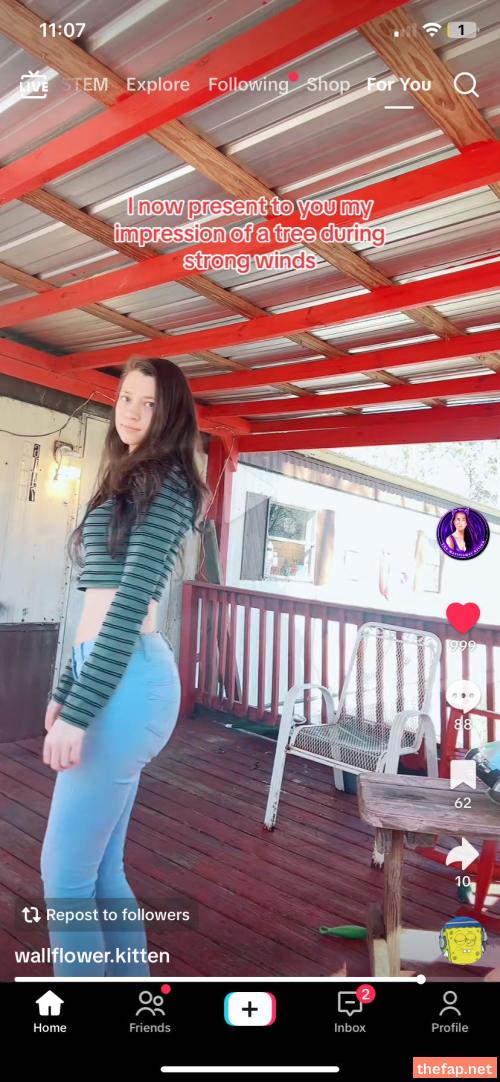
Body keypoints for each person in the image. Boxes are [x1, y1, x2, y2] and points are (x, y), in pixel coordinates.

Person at [41, 355, 210, 976]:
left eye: (150, 402)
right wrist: (67, 685)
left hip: (129, 680)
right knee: (99, 871)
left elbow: (131, 602)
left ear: (172, 413)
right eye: (126, 398)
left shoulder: (169, 484)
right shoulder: (126, 478)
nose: (133, 412)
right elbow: (91, 599)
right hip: (106, 671)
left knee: (64, 878)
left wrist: (79, 711)